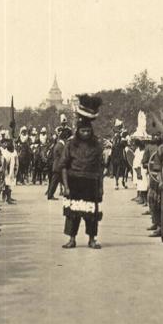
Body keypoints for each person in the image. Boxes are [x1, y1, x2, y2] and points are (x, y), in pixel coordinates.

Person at [61, 95, 104, 249]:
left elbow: (100, 169)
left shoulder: (97, 146)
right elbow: (64, 167)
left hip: (91, 183)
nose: (85, 133)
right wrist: (66, 187)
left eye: (88, 131)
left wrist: (100, 188)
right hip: (74, 182)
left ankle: (92, 239)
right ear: (78, 131)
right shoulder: (70, 145)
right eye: (83, 131)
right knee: (73, 214)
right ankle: (72, 239)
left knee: (91, 214)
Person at [47, 126, 72, 200]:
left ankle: (52, 194)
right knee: (55, 182)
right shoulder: (60, 146)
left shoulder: (59, 144)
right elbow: (63, 156)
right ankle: (50, 195)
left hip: (57, 167)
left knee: (58, 182)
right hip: (58, 167)